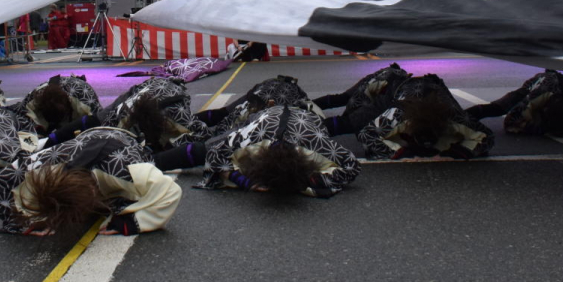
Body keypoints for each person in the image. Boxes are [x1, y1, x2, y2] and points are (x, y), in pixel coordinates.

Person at [0, 128, 183, 236]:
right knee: (14, 180)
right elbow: (3, 183)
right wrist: (26, 220)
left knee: (128, 198)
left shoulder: (128, 170)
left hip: (122, 139)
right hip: (84, 140)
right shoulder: (43, 164)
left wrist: (133, 222)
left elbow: (170, 191)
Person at [195, 104, 361, 197]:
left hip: (302, 114)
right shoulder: (251, 137)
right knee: (215, 142)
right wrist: (247, 182)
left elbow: (352, 165)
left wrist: (307, 181)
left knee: (214, 143)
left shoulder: (313, 141)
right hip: (267, 115)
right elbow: (214, 153)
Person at [44, 77, 210, 151]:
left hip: (168, 93)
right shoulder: (124, 111)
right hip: (143, 90)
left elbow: (203, 133)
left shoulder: (177, 115)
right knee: (101, 121)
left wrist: (169, 147)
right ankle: (48, 142)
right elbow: (107, 128)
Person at [355, 74, 495, 160]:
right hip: (398, 88)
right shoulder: (396, 115)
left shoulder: (453, 115)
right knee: (353, 120)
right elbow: (366, 135)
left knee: (471, 122)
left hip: (435, 90)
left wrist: (458, 152)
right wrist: (402, 152)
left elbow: (486, 137)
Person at [466, 70, 563, 137]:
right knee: (501, 106)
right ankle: (466, 115)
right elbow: (511, 122)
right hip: (537, 87)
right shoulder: (537, 97)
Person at [311, 63, 413, 136]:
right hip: (390, 90)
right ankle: (305, 128)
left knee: (343, 102)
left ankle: (304, 111)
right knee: (350, 122)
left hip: (388, 76)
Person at [6, 74, 101, 134]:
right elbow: (28, 131)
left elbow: (101, 123)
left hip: (76, 106)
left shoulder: (85, 97)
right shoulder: (31, 100)